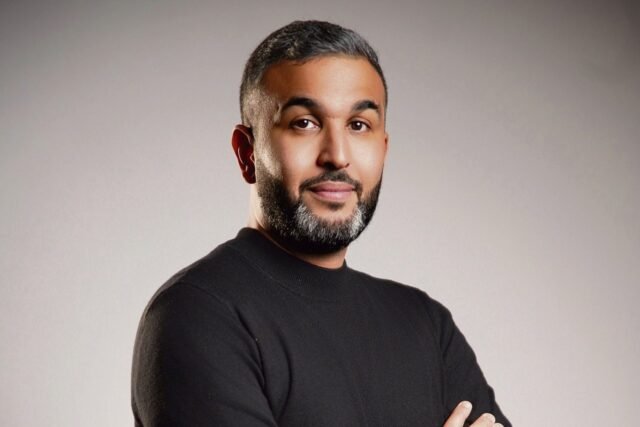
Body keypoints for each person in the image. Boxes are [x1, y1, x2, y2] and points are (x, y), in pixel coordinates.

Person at [131, 20, 511, 427]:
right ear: (247, 153)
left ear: (383, 149)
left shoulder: (425, 324)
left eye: (359, 125)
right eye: (305, 123)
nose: (337, 155)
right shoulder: (199, 313)